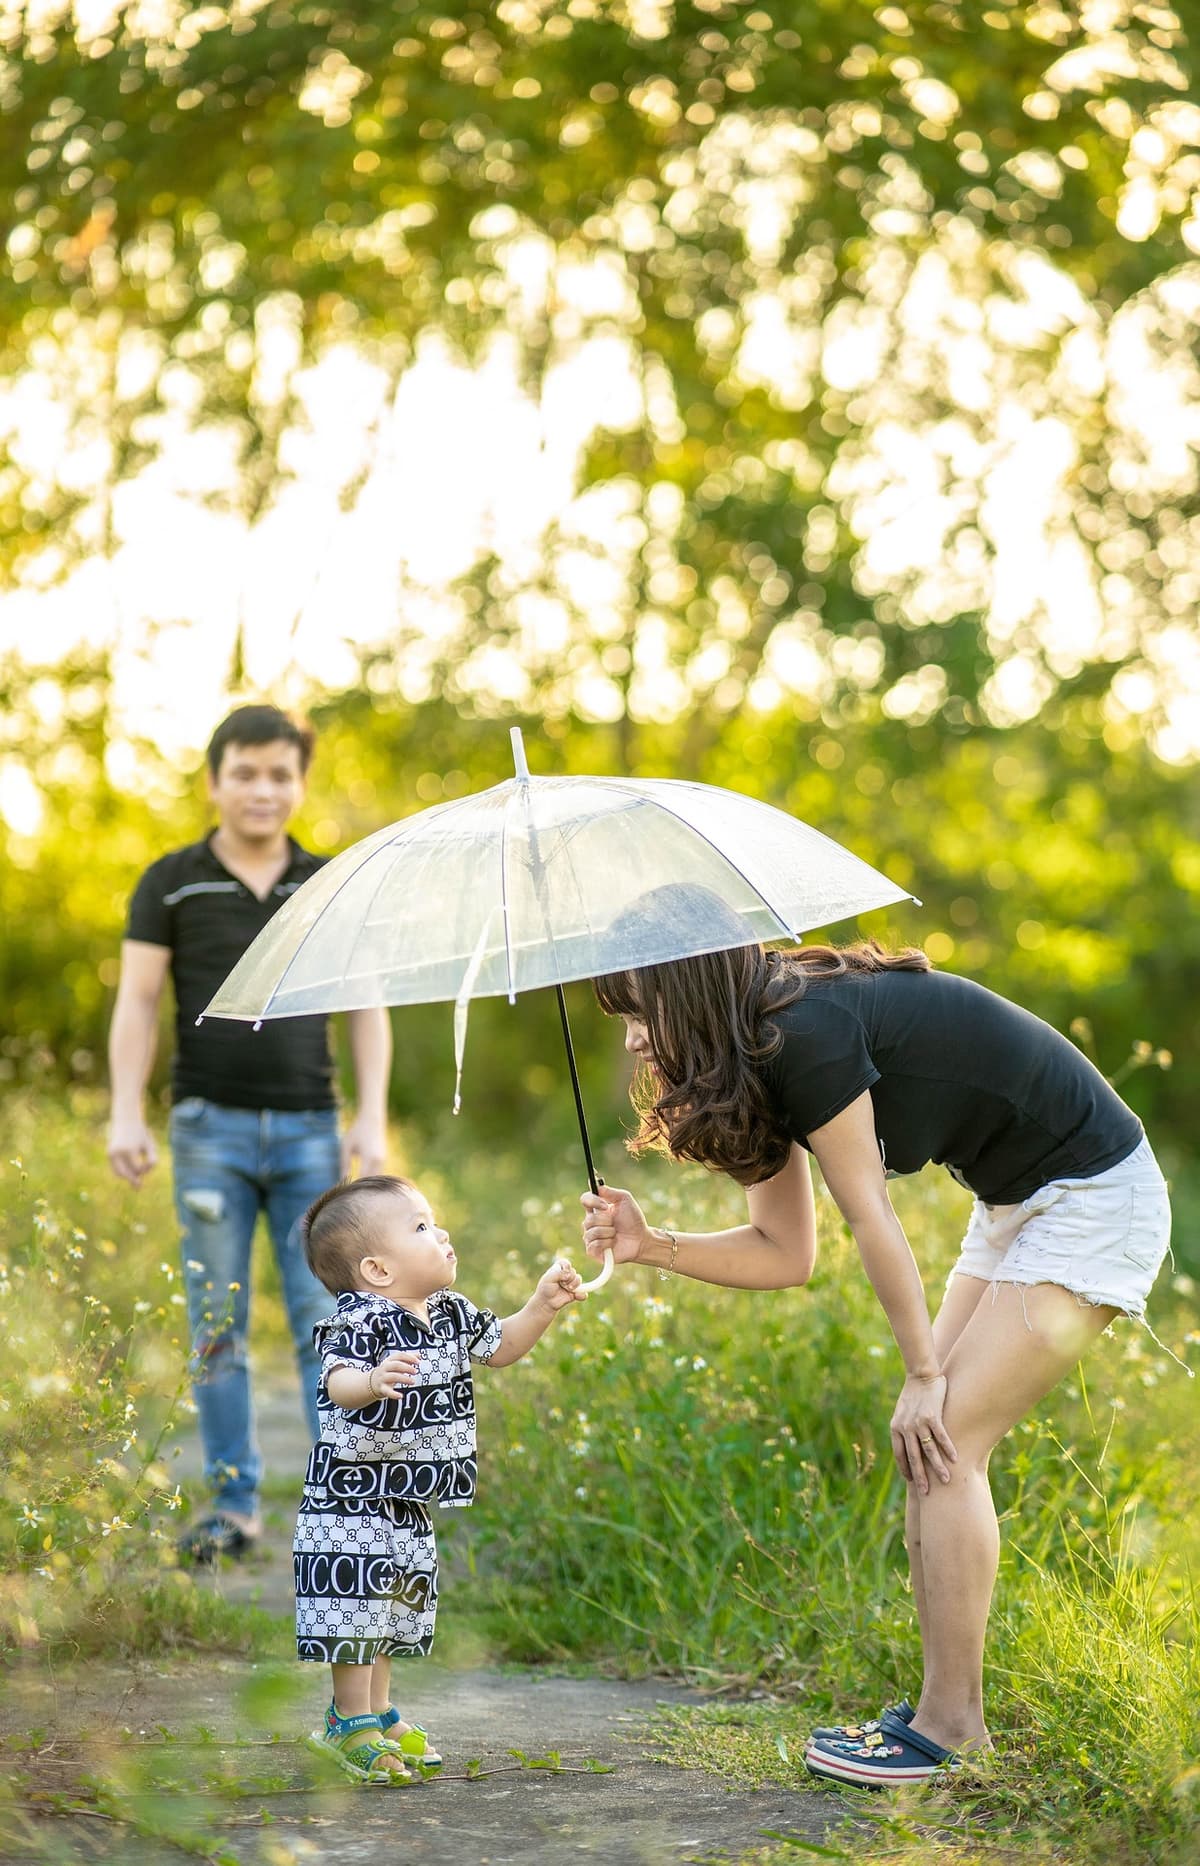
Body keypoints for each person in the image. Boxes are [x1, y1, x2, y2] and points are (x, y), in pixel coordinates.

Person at [580, 891, 1176, 1788]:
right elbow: (787, 1254)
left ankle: (951, 1731)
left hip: (1093, 1195)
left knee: (946, 1438)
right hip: (1020, 1200)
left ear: (686, 989)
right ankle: (944, 1715)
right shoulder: (756, 1049)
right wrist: (649, 1246)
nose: (631, 1039)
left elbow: (872, 1217)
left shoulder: (802, 1030)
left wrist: (924, 1371)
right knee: (928, 1450)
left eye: (639, 1010)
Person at [106, 703, 393, 1564]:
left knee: (326, 1321)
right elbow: (138, 1003)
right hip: (207, 1132)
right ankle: (234, 1508)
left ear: (299, 783)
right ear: (215, 780)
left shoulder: (328, 883)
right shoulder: (170, 881)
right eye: (246, 772)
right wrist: (126, 1108)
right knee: (217, 1326)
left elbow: (366, 1004)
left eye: (280, 774)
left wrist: (370, 1115)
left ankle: (338, 1499)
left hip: (311, 1129)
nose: (263, 790)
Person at [294, 1172, 585, 1783]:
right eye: (422, 1227)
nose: (442, 1232)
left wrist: (541, 1305)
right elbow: (337, 1379)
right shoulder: (360, 1319)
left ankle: (377, 1710)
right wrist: (371, 1383)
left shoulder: (450, 1313)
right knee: (354, 1608)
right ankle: (347, 1722)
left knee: (394, 1612)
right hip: (349, 1498)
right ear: (376, 1270)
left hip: (407, 1500)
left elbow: (501, 1346)